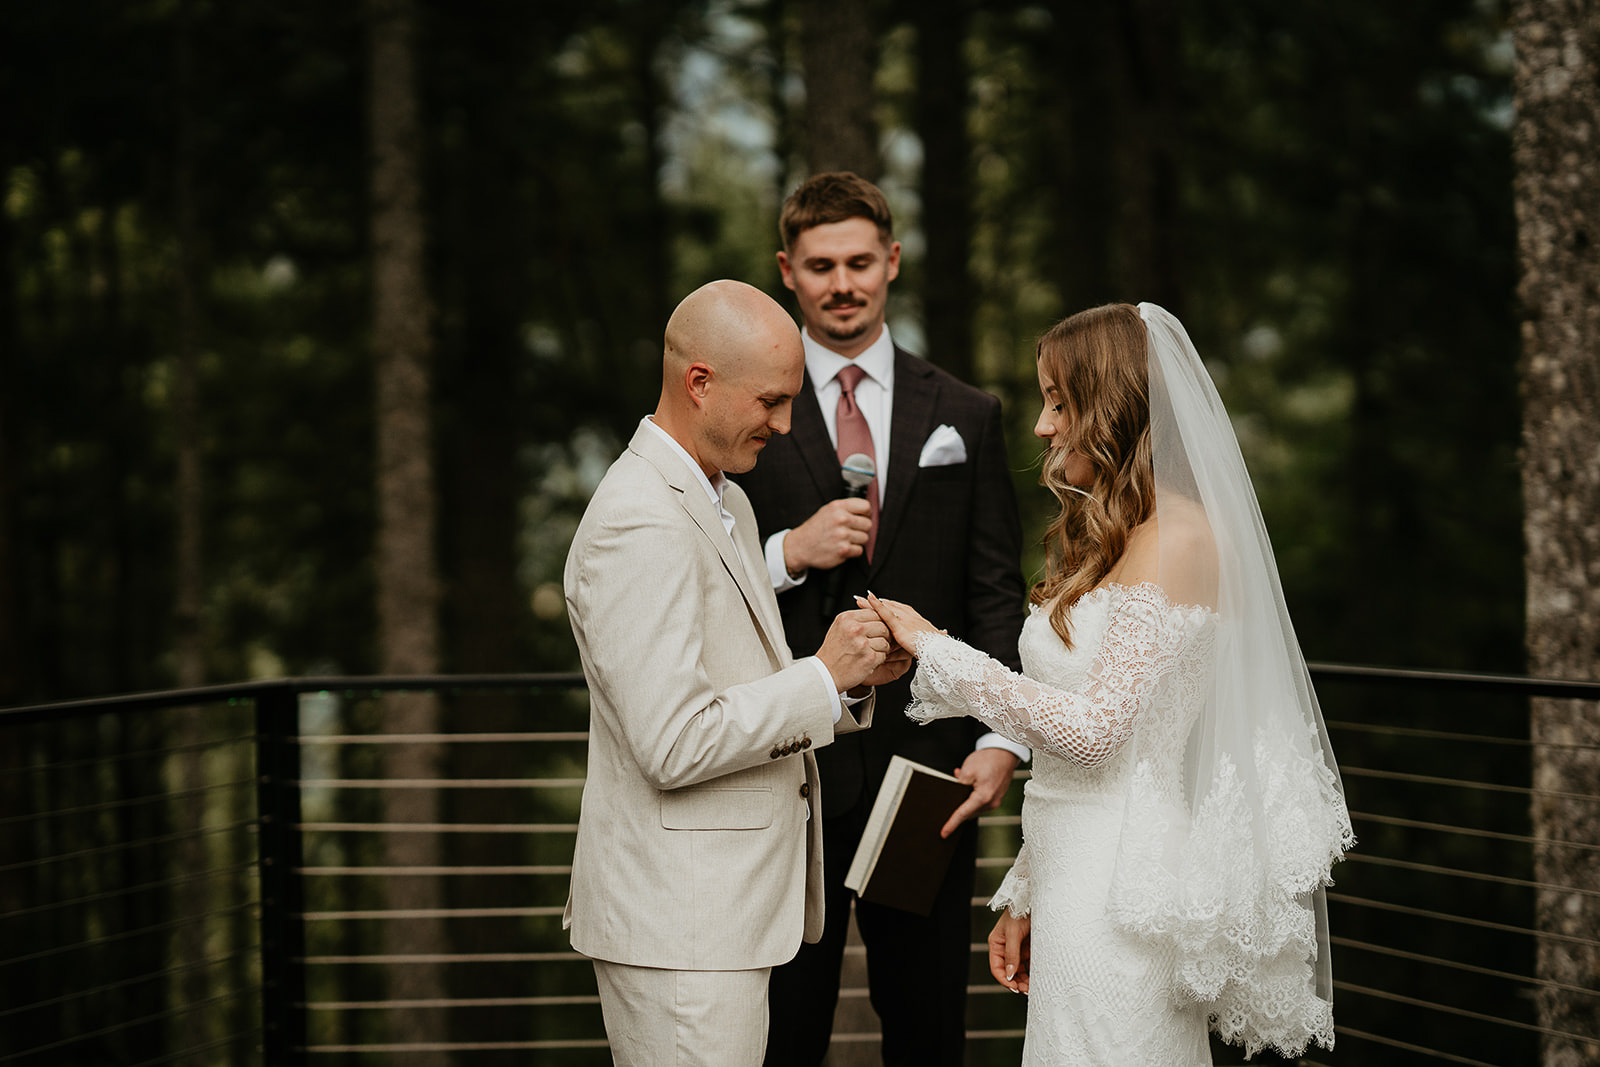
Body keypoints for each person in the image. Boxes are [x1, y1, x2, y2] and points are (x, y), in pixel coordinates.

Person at [864, 302, 1355, 1064]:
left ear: (1113, 406)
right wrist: (1026, 889)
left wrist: (937, 649)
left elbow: (1096, 733)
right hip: (1072, 874)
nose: (1042, 426)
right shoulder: (1119, 534)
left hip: (1122, 890)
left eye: (1059, 402)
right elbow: (1071, 766)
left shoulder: (1177, 539)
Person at [562, 279, 910, 1065]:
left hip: (723, 915)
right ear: (699, 382)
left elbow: (735, 681)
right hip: (679, 930)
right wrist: (819, 677)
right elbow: (674, 741)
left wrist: (848, 680)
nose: (784, 425)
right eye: (771, 401)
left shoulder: (728, 501)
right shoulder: (639, 520)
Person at [730, 172, 1027, 1066]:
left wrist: (1000, 739)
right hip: (791, 773)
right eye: (821, 266)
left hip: (927, 776)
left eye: (859, 262)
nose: (842, 284)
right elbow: (704, 573)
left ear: (892, 261)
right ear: (788, 270)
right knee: (784, 1028)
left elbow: (994, 591)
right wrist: (789, 550)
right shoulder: (748, 409)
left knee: (926, 1023)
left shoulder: (965, 413)